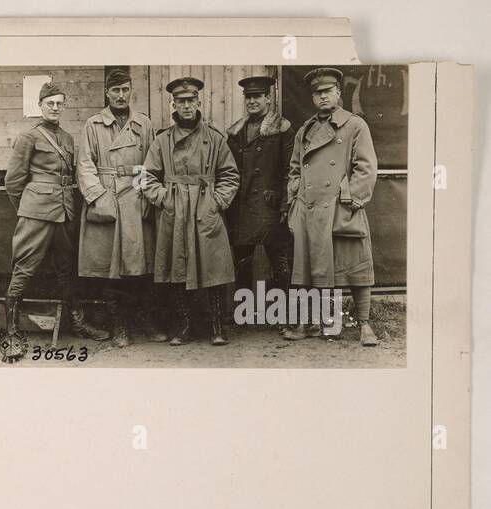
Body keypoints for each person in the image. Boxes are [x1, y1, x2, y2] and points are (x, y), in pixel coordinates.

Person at [0, 78, 109, 362]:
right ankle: (11, 334)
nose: (55, 108)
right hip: (36, 212)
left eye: (60, 104)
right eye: (50, 104)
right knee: (24, 268)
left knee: (66, 269)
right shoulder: (29, 137)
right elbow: (13, 182)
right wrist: (28, 207)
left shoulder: (68, 139)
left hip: (64, 212)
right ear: (40, 106)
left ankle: (77, 322)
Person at [140, 76, 240, 346]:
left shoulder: (215, 139)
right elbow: (146, 176)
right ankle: (183, 327)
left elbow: (230, 175)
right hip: (175, 210)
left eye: (191, 101)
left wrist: (217, 201)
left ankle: (217, 327)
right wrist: (164, 198)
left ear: (199, 103)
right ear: (174, 104)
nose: (186, 106)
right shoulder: (162, 140)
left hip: (206, 207)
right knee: (176, 267)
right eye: (181, 101)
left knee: (213, 268)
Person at [285, 67, 380, 345]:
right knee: (307, 269)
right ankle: (310, 323)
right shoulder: (306, 129)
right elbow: (294, 170)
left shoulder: (354, 125)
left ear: (338, 93)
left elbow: (365, 168)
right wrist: (294, 201)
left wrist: (349, 199)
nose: (323, 96)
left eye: (327, 91)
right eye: (317, 92)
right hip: (309, 209)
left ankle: (364, 325)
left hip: (341, 207)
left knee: (356, 267)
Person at [75, 67, 164, 347]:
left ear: (130, 91)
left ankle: (144, 321)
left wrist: (148, 195)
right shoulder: (93, 125)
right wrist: (99, 197)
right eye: (116, 90)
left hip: (136, 198)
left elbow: (153, 163)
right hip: (108, 197)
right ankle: (119, 326)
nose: (121, 95)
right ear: (107, 93)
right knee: (110, 270)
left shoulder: (144, 124)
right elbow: (84, 165)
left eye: (125, 89)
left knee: (141, 268)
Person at [225, 75, 295, 332]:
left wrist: (285, 204)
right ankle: (245, 316)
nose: (253, 101)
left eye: (258, 96)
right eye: (249, 97)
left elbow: (291, 170)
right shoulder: (236, 132)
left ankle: (282, 317)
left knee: (279, 262)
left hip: (271, 207)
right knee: (242, 262)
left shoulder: (282, 130)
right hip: (241, 208)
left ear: (268, 98)